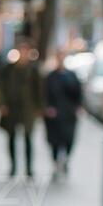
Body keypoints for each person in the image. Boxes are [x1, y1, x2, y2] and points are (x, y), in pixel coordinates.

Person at [0, 35, 45, 179]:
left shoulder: (33, 70)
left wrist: (39, 107)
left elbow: (40, 90)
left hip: (27, 108)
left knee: (28, 138)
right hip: (12, 107)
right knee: (11, 137)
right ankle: (13, 166)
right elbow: (1, 87)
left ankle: (29, 168)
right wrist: (2, 104)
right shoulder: (8, 69)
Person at [43, 49, 83, 178]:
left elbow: (79, 94)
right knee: (54, 141)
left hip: (68, 114)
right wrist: (48, 108)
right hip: (54, 116)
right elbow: (45, 94)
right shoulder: (50, 77)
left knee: (69, 140)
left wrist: (78, 107)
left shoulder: (72, 76)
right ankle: (56, 164)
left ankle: (65, 162)